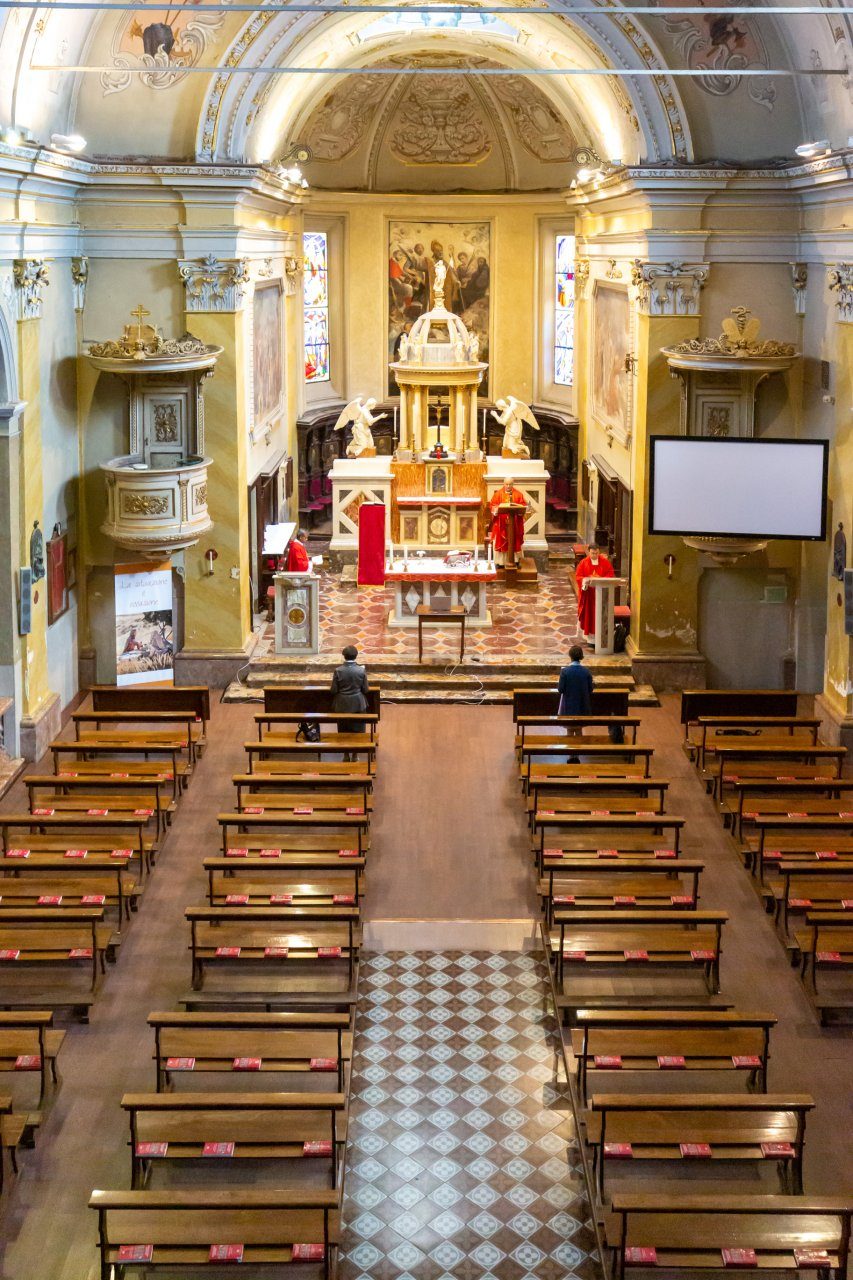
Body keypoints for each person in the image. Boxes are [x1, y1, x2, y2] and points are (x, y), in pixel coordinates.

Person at [331, 645, 370, 755]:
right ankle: (355, 754)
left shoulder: (338, 670)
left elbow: (333, 690)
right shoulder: (361, 670)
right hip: (358, 704)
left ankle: (346, 754)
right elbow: (366, 689)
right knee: (358, 729)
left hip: (342, 704)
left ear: (344, 656)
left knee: (343, 729)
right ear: (356, 656)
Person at [557, 645, 594, 762]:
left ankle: (571, 755)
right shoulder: (586, 672)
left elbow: (560, 689)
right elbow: (590, 689)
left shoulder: (565, 672)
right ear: (581, 657)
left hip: (568, 706)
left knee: (570, 730)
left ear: (570, 656)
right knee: (578, 730)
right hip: (582, 706)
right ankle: (577, 754)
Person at [575, 542, 615, 643]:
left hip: (601, 594)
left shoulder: (605, 562)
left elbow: (610, 573)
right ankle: (590, 638)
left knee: (600, 615)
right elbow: (578, 577)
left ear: (599, 552)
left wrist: (600, 580)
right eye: (592, 553)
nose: (595, 555)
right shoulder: (583, 563)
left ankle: (600, 637)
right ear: (589, 552)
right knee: (590, 616)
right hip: (588, 595)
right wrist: (586, 580)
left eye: (596, 553)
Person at [487, 477, 528, 567]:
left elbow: (523, 506)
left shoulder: (518, 494)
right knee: (501, 540)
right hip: (501, 523)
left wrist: (520, 511)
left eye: (510, 484)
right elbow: (492, 506)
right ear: (504, 483)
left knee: (515, 540)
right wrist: (496, 509)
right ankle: (500, 562)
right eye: (506, 484)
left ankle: (515, 560)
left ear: (513, 484)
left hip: (514, 524)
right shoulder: (497, 494)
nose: (508, 486)